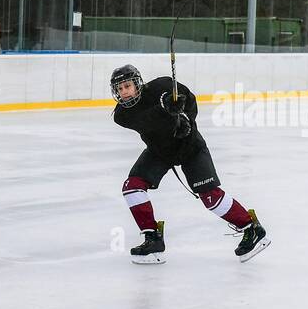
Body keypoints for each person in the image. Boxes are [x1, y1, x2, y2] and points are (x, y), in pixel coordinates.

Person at [111, 64, 269, 264]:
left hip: (189, 146)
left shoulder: (164, 85)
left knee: (210, 197)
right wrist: (165, 109)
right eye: (120, 88)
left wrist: (186, 118)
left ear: (137, 84)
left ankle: (252, 228)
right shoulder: (122, 115)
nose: (124, 92)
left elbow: (191, 100)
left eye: (127, 86)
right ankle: (152, 239)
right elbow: (147, 121)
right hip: (160, 151)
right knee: (132, 187)